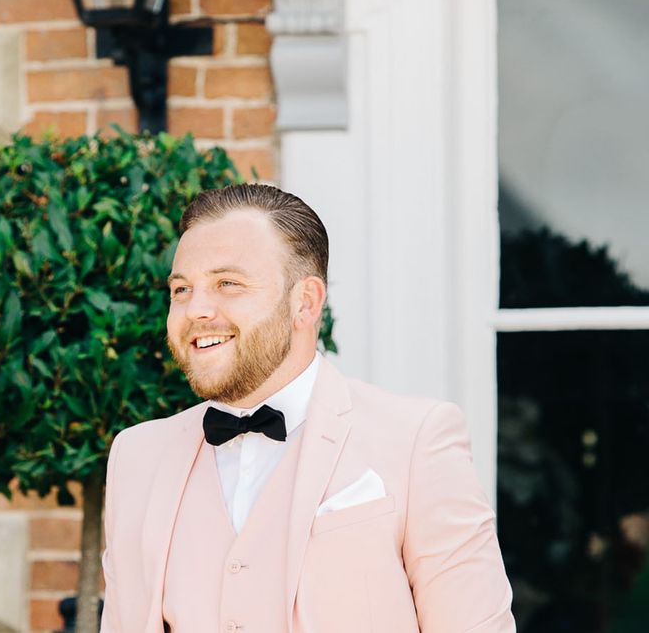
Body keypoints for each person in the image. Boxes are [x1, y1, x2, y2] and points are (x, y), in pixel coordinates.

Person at [100, 184, 515, 632]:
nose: (196, 309)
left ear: (306, 302)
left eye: (227, 284)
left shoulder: (417, 440)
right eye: (181, 289)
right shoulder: (136, 456)